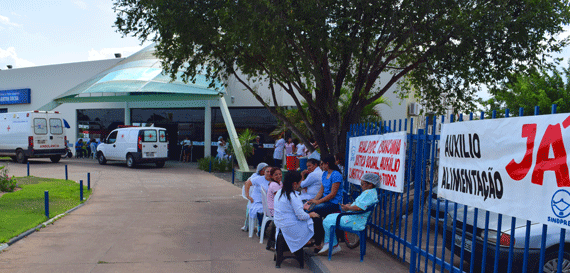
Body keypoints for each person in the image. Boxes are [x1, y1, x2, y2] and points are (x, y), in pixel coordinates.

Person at [318, 173, 380, 255]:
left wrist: (349, 208)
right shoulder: (371, 192)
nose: (361, 186)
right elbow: (360, 205)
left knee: (327, 221)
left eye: (362, 184)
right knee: (329, 217)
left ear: (370, 184)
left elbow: (360, 208)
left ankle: (332, 244)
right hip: (354, 217)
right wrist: (349, 206)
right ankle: (333, 244)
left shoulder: (368, 193)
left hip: (355, 220)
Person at [305, 155, 343, 252]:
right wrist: (313, 200)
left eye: (322, 163)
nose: (321, 165)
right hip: (324, 201)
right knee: (308, 210)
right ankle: (317, 242)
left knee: (314, 210)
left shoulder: (336, 175)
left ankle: (318, 241)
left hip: (333, 203)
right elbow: (321, 191)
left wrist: (318, 202)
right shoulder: (324, 173)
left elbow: (332, 194)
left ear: (327, 164)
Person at [273, 170, 317, 255]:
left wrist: (302, 207)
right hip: (290, 226)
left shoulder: (280, 192)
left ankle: (306, 241)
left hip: (280, 223)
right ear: (294, 184)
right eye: (300, 182)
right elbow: (301, 216)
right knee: (315, 220)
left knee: (309, 219)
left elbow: (288, 208)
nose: (300, 184)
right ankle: (312, 243)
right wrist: (310, 215)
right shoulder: (293, 196)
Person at [247, 164, 272, 235]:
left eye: (271, 171)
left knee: (272, 212)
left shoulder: (274, 181)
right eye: (267, 171)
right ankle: (261, 228)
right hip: (257, 202)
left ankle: (264, 228)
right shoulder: (258, 178)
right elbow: (247, 183)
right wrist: (248, 196)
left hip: (268, 203)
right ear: (263, 172)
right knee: (262, 210)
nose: (269, 173)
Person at [242, 162, 268, 231]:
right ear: (261, 170)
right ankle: (258, 227)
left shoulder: (268, 178)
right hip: (254, 199)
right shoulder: (256, 176)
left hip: (264, 200)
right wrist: (248, 196)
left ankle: (262, 227)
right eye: (265, 170)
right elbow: (247, 183)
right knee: (257, 211)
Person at [265, 167, 283, 250]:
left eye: (280, 173)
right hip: (273, 210)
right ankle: (282, 241)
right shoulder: (274, 185)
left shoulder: (279, 183)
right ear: (271, 176)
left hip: (273, 208)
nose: (279, 176)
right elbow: (280, 199)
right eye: (276, 175)